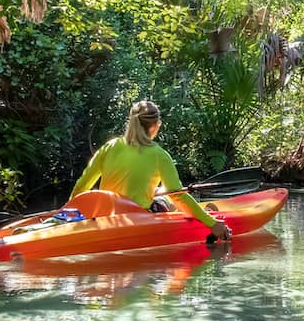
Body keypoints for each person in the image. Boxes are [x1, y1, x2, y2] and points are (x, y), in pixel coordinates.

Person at [69, 100, 232, 241]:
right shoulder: (159, 155)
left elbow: (81, 188)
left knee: (160, 191)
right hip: (139, 218)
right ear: (155, 126)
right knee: (167, 197)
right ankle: (207, 212)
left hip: (106, 216)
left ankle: (204, 210)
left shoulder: (110, 147)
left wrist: (67, 216)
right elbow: (178, 196)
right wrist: (212, 224)